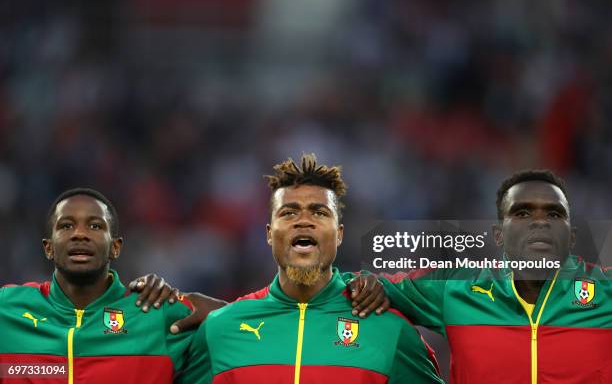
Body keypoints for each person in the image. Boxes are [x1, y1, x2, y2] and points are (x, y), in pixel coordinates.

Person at [179, 154, 444, 384]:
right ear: (270, 234)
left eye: (319, 212)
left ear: (339, 235)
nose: (303, 221)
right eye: (288, 213)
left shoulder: (390, 331)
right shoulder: (220, 330)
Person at [359, 170, 612, 384]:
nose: (540, 222)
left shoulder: (606, 291)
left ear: (572, 236)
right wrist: (365, 284)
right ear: (499, 235)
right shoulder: (459, 287)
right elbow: (371, 286)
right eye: (522, 213)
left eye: (554, 214)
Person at [0, 188, 195, 383]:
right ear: (48, 248)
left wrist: (195, 302)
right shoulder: (7, 308)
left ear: (115, 247)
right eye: (66, 226)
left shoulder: (156, 313)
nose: (80, 234)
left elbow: (223, 324)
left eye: (95, 226)